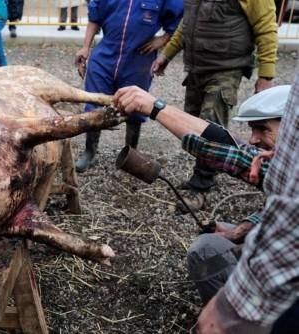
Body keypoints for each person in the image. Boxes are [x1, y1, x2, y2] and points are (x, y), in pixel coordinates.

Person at [113, 81, 299, 333]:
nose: (253, 139)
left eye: (262, 129)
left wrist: (233, 307)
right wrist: (156, 108)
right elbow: (230, 149)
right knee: (209, 247)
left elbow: (290, 237)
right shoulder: (283, 163)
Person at [150, 0, 278, 212]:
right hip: (197, 69)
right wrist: (167, 54)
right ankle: (202, 175)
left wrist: (266, 75)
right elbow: (187, 24)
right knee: (192, 123)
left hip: (226, 69)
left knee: (210, 126)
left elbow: (266, 27)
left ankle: (202, 187)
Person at [74, 0, 183, 173]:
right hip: (105, 55)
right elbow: (95, 17)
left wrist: (163, 39)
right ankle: (90, 152)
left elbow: (179, 19)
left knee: (136, 105)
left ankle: (130, 154)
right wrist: (85, 47)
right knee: (93, 102)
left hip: (138, 59)